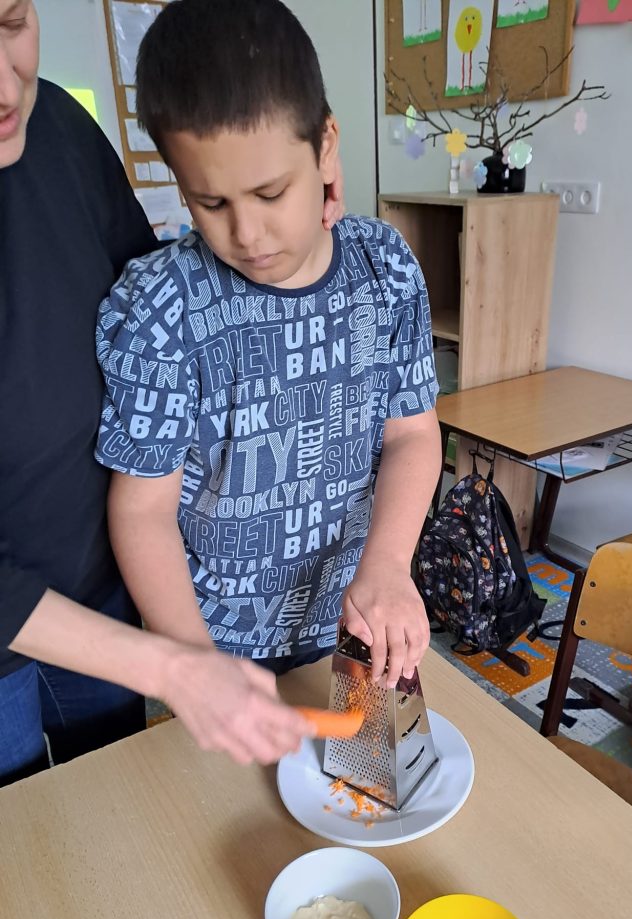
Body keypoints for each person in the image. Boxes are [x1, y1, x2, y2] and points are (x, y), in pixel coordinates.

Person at [0, 0, 343, 785]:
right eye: (212, 201)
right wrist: (178, 663)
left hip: (102, 586)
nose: (5, 88)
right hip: (24, 618)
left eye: (10, 22)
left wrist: (299, 213)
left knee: (118, 802)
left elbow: (159, 286)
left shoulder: (57, 124)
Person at [95, 0, 442, 692]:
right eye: (211, 203)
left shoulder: (385, 267)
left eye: (271, 192)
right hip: (213, 639)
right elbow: (142, 511)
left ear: (326, 146)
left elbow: (412, 433)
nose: (247, 235)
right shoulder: (161, 306)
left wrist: (388, 563)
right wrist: (196, 666)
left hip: (351, 616)